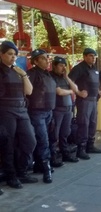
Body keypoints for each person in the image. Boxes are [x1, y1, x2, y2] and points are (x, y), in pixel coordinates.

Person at [0, 41, 37, 188]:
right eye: (9, 54)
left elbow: (29, 91)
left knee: (30, 141)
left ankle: (22, 171)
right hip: (5, 110)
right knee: (8, 145)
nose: (13, 57)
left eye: (15, 54)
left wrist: (24, 75)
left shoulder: (17, 70)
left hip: (21, 110)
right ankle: (11, 176)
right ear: (1, 54)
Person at [27, 49, 56, 184]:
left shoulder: (48, 74)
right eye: (43, 58)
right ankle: (46, 169)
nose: (47, 60)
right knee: (43, 140)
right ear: (36, 61)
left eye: (47, 58)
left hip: (48, 111)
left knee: (47, 139)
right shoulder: (32, 74)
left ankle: (40, 165)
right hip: (37, 112)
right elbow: (27, 92)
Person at [69, 48, 101, 160]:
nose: (93, 58)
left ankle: (90, 145)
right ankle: (81, 149)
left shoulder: (94, 68)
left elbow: (96, 81)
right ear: (84, 57)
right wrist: (78, 92)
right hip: (84, 101)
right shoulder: (79, 68)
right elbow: (68, 81)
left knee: (93, 124)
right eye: (90, 55)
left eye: (94, 56)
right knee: (83, 124)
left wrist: (99, 89)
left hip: (94, 100)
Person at [50, 56, 79, 163]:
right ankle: (53, 157)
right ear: (54, 66)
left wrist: (67, 77)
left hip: (68, 109)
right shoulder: (51, 76)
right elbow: (59, 92)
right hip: (57, 109)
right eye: (61, 65)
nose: (63, 68)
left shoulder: (64, 77)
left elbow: (75, 89)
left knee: (65, 133)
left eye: (64, 66)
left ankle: (65, 154)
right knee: (54, 134)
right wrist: (70, 92)